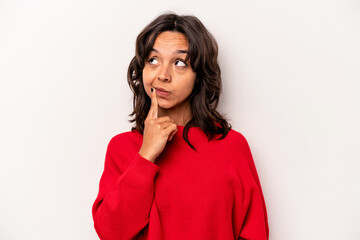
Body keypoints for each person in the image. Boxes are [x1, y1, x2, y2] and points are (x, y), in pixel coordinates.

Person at [92, 12, 269, 240]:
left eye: (179, 63)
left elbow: (255, 232)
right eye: (153, 60)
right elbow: (111, 232)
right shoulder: (123, 148)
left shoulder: (232, 147)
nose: (163, 75)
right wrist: (145, 156)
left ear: (200, 74)